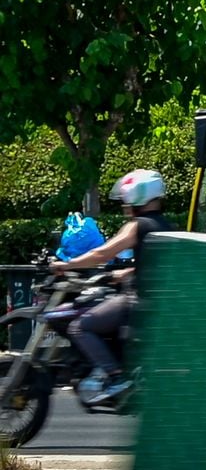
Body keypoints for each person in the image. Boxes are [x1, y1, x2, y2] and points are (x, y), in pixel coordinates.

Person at [49, 169, 173, 407]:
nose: (124, 204)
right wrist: (126, 273)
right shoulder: (165, 226)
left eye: (126, 199)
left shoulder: (137, 225)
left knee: (79, 326)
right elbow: (157, 265)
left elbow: (103, 253)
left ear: (136, 196)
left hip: (139, 301)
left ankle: (116, 378)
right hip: (158, 303)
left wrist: (67, 265)